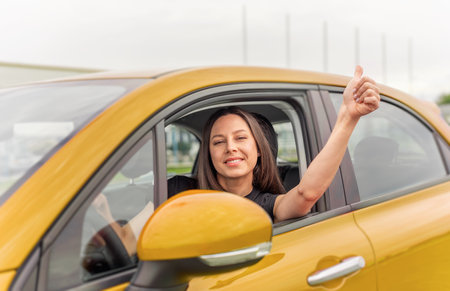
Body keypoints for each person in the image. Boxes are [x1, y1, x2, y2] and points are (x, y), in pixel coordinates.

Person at [197, 65, 379, 222]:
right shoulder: (180, 190)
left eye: (241, 138)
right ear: (208, 152)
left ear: (259, 149)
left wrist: (348, 118)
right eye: (219, 142)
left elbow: (306, 193)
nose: (230, 147)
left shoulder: (268, 204)